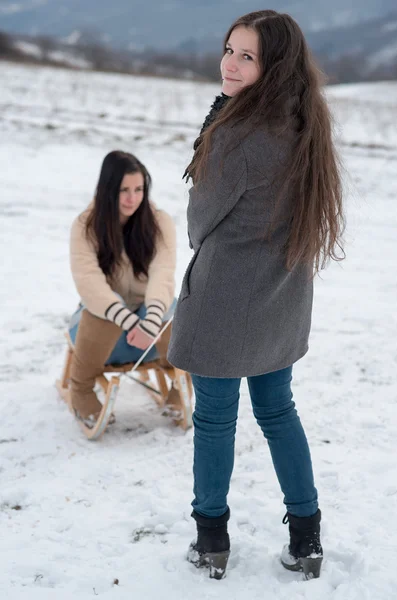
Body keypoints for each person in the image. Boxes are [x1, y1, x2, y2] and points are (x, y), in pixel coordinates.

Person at [167, 10, 344, 580]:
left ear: (273, 67)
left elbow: (199, 225)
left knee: (216, 421)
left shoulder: (237, 135)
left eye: (247, 55)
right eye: (228, 49)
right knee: (278, 412)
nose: (230, 63)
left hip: (225, 301)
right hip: (282, 297)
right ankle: (307, 539)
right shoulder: (303, 122)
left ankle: (211, 541)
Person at [68, 150, 176, 426]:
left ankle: (178, 384)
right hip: (100, 334)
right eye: (123, 190)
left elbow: (162, 274)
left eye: (139, 189)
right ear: (107, 190)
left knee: (173, 307)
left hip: (148, 333)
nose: (132, 198)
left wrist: (150, 321)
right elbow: (89, 282)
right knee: (101, 304)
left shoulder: (159, 222)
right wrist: (128, 321)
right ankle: (80, 388)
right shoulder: (85, 226)